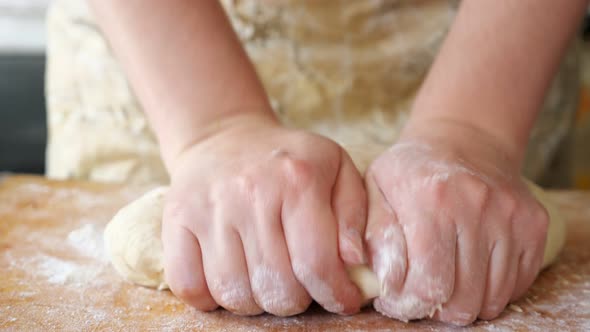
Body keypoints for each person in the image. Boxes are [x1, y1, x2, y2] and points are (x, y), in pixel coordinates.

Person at [46, 0, 587, 325]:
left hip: (499, 57)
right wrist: (213, 129)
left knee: (468, 229)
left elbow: (478, 133)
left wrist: (474, 130)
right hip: (163, 70)